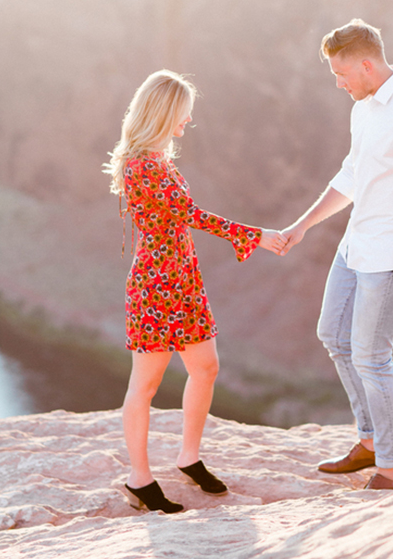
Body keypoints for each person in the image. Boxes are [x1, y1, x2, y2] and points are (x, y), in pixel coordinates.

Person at [279, 19, 393, 491]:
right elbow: (353, 175)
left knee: (373, 358)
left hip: (392, 257)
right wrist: (302, 226)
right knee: (333, 334)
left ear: (367, 65)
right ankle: (371, 439)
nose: (338, 83)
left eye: (341, 73)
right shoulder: (365, 106)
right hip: (356, 244)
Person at [104, 69, 285, 513]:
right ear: (163, 113)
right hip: (156, 287)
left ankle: (189, 457)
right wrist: (255, 235)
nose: (187, 123)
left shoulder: (160, 159)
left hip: (183, 282)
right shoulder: (141, 166)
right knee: (145, 385)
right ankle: (139, 479)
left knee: (206, 368)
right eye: (183, 115)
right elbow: (191, 215)